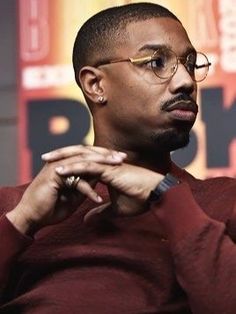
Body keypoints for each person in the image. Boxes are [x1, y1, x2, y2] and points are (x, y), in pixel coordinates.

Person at [0, 2, 235, 313]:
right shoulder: (15, 206)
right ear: (96, 84)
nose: (186, 82)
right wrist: (22, 221)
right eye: (156, 62)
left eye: (189, 64)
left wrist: (168, 195)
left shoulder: (224, 201)